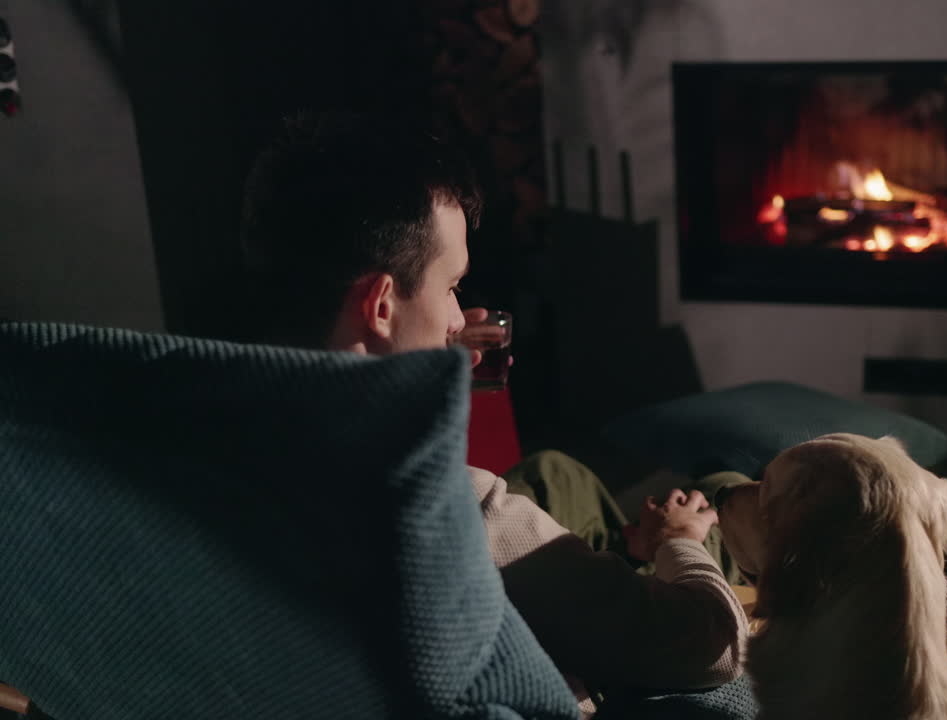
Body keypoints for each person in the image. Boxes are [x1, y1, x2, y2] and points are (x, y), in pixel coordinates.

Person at [239, 112, 751, 714]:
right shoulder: (449, 511)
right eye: (451, 285)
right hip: (603, 648)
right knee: (722, 494)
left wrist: (421, 360)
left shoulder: (193, 448)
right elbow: (707, 646)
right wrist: (680, 542)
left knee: (557, 473)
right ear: (379, 304)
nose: (459, 315)